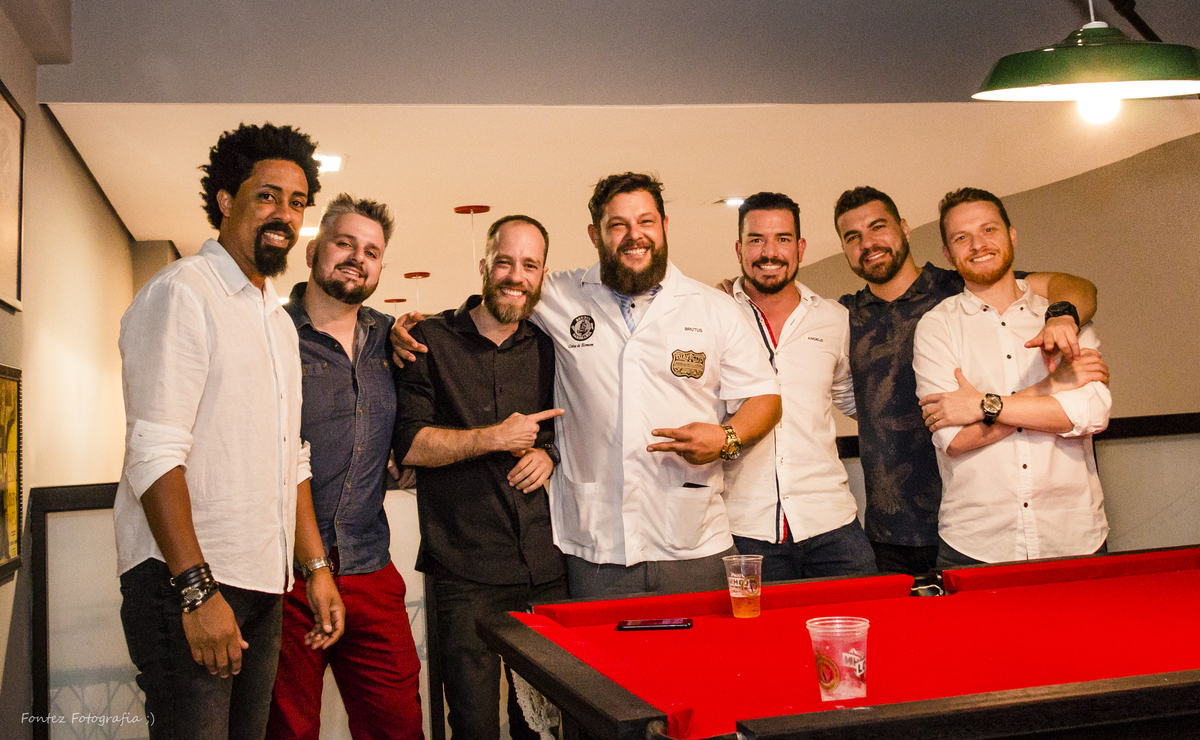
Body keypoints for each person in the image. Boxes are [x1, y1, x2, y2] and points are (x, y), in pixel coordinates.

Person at [115, 123, 343, 740]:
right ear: (224, 199)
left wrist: (315, 567)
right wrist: (196, 590)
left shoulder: (277, 320)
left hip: (262, 582)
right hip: (188, 582)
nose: (284, 214)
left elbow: (290, 457)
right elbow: (154, 454)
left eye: (297, 202)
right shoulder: (182, 293)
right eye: (267, 196)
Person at [834, 186, 1099, 576]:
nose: (868, 243)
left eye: (878, 227)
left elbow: (1074, 286)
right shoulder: (843, 316)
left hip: (977, 519)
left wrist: (1062, 314)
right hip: (893, 524)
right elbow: (846, 395)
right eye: (852, 237)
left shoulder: (964, 282)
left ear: (904, 228)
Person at [394, 215, 565, 740]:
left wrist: (550, 454)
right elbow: (411, 444)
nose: (516, 275)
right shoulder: (427, 340)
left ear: (542, 275)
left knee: (542, 724)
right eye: (506, 262)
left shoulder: (550, 346)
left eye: (530, 265)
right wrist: (494, 437)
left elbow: (572, 427)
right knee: (473, 725)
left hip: (545, 566)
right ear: (485, 265)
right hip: (463, 570)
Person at [266, 195, 423, 740]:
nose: (358, 258)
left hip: (370, 568)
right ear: (313, 251)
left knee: (399, 726)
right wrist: (314, 570)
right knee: (289, 731)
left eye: (372, 252)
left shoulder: (391, 338)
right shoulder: (272, 333)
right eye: (344, 243)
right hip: (285, 578)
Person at [913, 187, 1111, 567]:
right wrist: (1052, 386)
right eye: (961, 237)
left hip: (1073, 535)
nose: (978, 244)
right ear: (948, 254)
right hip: (976, 543)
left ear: (1012, 235)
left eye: (988, 230)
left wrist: (982, 406)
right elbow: (955, 439)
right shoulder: (936, 327)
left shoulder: (1063, 316)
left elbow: (1091, 414)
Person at [721, 192, 877, 581]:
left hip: (832, 525)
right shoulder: (713, 314)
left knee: (864, 618)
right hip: (744, 530)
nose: (769, 252)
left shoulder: (834, 318)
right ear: (739, 249)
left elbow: (854, 400)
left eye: (783, 239)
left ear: (801, 248)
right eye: (756, 240)